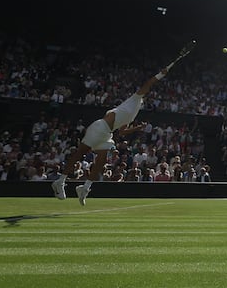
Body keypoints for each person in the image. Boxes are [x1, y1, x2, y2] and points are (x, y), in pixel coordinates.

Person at [52, 41, 194, 205]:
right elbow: (148, 83)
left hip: (107, 133)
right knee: (80, 153)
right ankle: (60, 181)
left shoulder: (132, 115)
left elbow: (121, 133)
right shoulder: (135, 98)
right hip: (100, 127)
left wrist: (137, 128)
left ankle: (84, 188)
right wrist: (160, 75)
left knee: (102, 160)